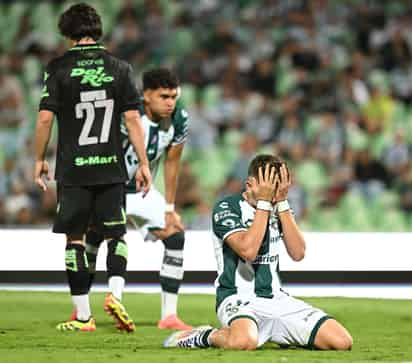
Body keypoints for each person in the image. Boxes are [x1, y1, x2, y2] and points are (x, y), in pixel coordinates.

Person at [34, 3, 151, 332]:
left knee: (74, 240)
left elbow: (45, 118)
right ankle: (115, 295)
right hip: (110, 167)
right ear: (98, 30)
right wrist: (142, 163)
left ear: (67, 32)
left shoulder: (57, 68)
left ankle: (83, 317)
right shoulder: (121, 68)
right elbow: (132, 119)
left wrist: (39, 158)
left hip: (73, 170)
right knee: (116, 233)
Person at [164, 154, 353, 350]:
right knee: (243, 342)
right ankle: (206, 335)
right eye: (270, 183)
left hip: (276, 298)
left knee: (341, 342)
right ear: (250, 184)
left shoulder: (278, 206)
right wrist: (264, 203)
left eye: (278, 183)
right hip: (237, 298)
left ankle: (283, 333)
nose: (273, 189)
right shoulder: (228, 207)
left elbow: (298, 253)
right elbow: (248, 251)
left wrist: (282, 203)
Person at [84, 68, 192, 330]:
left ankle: (168, 316)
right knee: (99, 237)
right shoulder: (128, 114)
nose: (170, 103)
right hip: (111, 186)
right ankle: (87, 309)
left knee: (175, 235)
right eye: (164, 96)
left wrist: (168, 207)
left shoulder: (179, 118)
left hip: (143, 191)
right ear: (146, 96)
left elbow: (172, 162)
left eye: (173, 97)